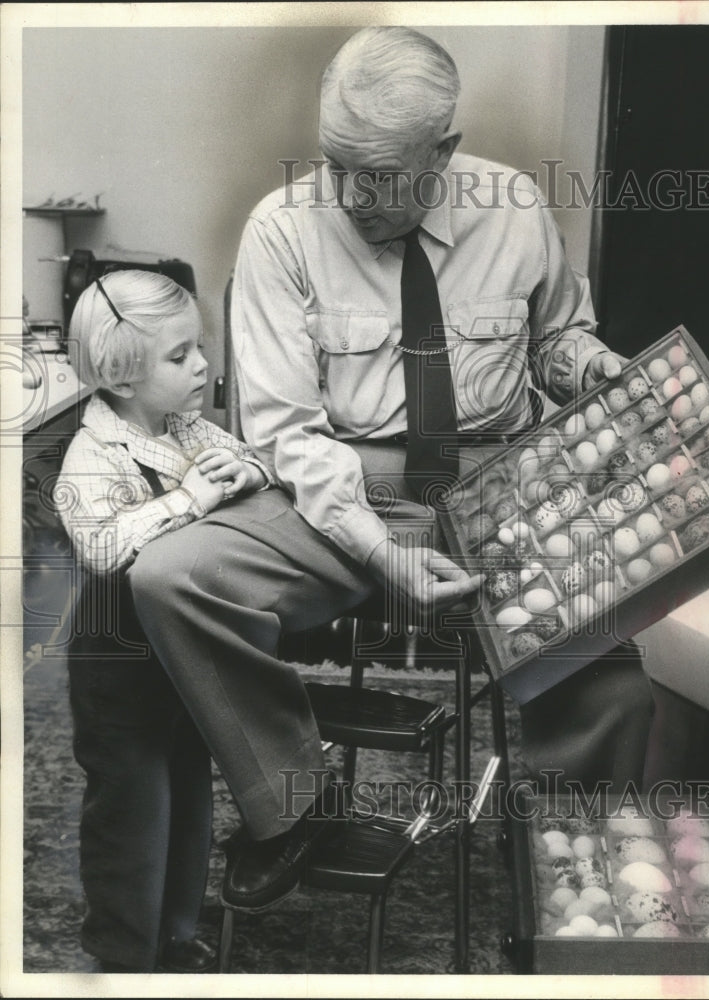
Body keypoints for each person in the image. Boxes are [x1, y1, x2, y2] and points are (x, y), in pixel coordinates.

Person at [127, 26, 654, 916]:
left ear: (442, 151)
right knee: (169, 577)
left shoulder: (516, 207)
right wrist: (382, 551)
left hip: (499, 485)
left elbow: (558, 335)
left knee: (613, 679)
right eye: (337, 165)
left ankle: (579, 890)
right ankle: (293, 804)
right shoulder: (280, 232)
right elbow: (288, 433)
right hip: (336, 490)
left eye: (379, 173)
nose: (352, 194)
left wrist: (586, 367)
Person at [56, 269, 270, 973]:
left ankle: (178, 933)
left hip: (182, 651)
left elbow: (241, 456)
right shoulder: (93, 454)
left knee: (186, 788)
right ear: (121, 376)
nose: (203, 364)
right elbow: (101, 547)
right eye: (180, 356)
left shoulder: (183, 425)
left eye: (199, 347)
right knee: (130, 806)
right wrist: (190, 500)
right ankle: (122, 952)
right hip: (118, 661)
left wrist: (244, 473)